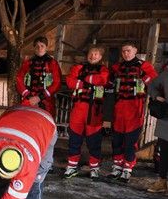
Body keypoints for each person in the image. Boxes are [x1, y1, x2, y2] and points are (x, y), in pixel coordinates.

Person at [108, 41, 159, 181]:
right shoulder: (117, 67)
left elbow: (155, 84)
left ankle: (127, 168)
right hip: (118, 109)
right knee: (116, 140)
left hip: (135, 109)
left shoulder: (144, 66)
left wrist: (144, 77)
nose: (126, 53)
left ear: (135, 50)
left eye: (128, 50)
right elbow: (108, 82)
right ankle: (117, 166)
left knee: (130, 141)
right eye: (123, 51)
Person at [64, 46, 112, 178]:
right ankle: (72, 166)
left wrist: (83, 80)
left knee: (94, 141)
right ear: (87, 55)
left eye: (96, 54)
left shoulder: (104, 70)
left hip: (95, 111)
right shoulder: (78, 67)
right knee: (74, 140)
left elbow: (102, 80)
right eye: (91, 53)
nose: (93, 56)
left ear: (100, 57)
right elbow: (69, 82)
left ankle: (94, 168)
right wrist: (89, 83)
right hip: (78, 109)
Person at [15, 37, 64, 117]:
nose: (39, 48)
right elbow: (19, 79)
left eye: (42, 46)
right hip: (29, 98)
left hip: (46, 99)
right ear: (34, 48)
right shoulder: (28, 63)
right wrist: (28, 95)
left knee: (46, 121)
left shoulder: (52, 63)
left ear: (46, 47)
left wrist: (40, 97)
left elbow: (57, 82)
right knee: (24, 119)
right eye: (37, 46)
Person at [147, 62, 168, 194]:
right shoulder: (166, 75)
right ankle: (162, 181)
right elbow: (151, 85)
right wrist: (157, 96)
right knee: (164, 152)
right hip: (166, 120)